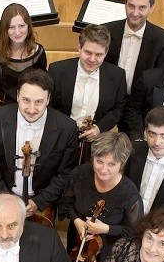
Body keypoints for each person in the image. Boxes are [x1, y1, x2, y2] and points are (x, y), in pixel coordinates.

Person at [0, 69, 77, 219]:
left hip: (42, 202)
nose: (31, 109)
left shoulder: (67, 127)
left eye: (38, 102)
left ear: (48, 99)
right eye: (26, 100)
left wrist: (40, 201)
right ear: (17, 95)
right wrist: (4, 195)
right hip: (5, 194)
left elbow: (65, 173)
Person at [58, 132, 143, 262]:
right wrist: (76, 220)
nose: (103, 169)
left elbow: (133, 231)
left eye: (112, 164)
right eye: (99, 161)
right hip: (79, 234)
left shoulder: (129, 193)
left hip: (109, 244)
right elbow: (67, 202)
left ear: (122, 164)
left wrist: (106, 229)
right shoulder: (80, 174)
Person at [48, 24, 127, 163]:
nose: (92, 59)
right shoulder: (57, 70)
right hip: (61, 137)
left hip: (97, 141)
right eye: (88, 52)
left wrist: (99, 128)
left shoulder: (117, 75)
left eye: (98, 55)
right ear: (79, 47)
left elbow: (118, 109)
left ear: (106, 52)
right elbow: (50, 104)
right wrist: (67, 129)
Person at [103, 0, 164, 93]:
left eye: (142, 8)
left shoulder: (163, 39)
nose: (135, 13)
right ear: (125, 4)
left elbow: (160, 79)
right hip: (107, 95)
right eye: (131, 6)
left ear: (151, 7)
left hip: (140, 101)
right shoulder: (106, 31)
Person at [0, 3, 47, 107]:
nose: (17, 32)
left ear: (28, 26)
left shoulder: (38, 52)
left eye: (21, 26)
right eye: (12, 27)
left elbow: (42, 83)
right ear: (5, 29)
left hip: (30, 107)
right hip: (2, 107)